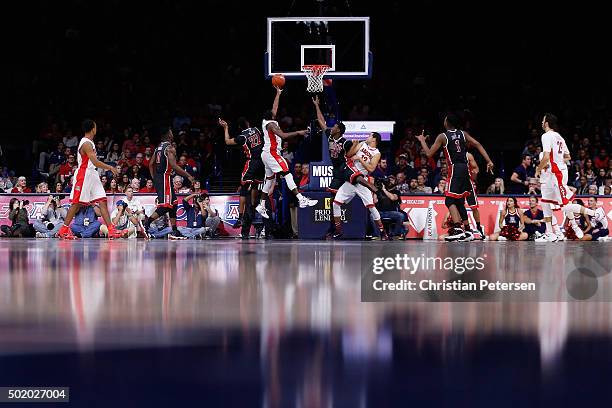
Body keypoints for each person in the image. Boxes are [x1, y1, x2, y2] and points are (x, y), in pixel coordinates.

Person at [417, 114, 494, 241]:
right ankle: (468, 231)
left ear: (447, 122)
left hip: (455, 169)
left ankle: (458, 229)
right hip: (465, 169)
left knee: (449, 200)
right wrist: (489, 161)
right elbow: (478, 144)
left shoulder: (443, 136)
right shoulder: (463, 134)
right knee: (459, 202)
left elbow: (429, 153)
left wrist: (422, 141)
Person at [311, 96, 378, 237]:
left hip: (344, 166)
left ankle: (370, 186)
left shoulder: (345, 142)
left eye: (335, 126)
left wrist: (354, 144)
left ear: (339, 130)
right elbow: (321, 122)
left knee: (355, 177)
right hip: (336, 171)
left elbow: (350, 154)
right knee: (333, 200)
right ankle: (334, 229)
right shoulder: (330, 136)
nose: (332, 127)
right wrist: (317, 106)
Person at [255, 87, 317, 220]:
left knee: (269, 180)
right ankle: (301, 198)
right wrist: (299, 132)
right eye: (273, 113)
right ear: (271, 116)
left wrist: (278, 93)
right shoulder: (271, 125)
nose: (275, 113)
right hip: (272, 153)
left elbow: (274, 107)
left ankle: (261, 205)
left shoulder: (266, 120)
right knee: (287, 173)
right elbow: (283, 135)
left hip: (266, 154)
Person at [57, 120, 124, 239]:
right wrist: (110, 167)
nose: (96, 129)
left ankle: (111, 229)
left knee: (102, 200)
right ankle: (64, 229)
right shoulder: (86, 143)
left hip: (92, 174)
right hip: (84, 174)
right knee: (76, 203)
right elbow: (95, 162)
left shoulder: (90, 142)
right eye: (96, 127)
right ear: (93, 129)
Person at [535, 114, 595, 242]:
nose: (541, 122)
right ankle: (550, 233)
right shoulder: (559, 137)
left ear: (546, 123)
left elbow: (546, 158)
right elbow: (567, 156)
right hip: (554, 174)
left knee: (565, 205)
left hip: (557, 174)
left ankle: (594, 214)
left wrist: (538, 169)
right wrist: (556, 161)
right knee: (546, 203)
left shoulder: (546, 136)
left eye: (543, 120)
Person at [142, 127, 195, 240]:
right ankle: (147, 223)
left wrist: (154, 177)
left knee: (174, 203)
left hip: (161, 178)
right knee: (166, 206)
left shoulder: (158, 148)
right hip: (165, 178)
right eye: (171, 132)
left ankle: (174, 230)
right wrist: (188, 175)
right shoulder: (170, 148)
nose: (172, 133)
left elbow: (151, 164)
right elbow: (175, 166)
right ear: (169, 136)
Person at [333, 132, 389, 240]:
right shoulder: (362, 144)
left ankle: (383, 232)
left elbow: (371, 168)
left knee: (371, 207)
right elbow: (349, 155)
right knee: (336, 203)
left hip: (362, 180)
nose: (367, 137)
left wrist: (360, 159)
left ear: (374, 139)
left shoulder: (377, 153)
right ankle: (339, 231)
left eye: (369, 135)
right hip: (350, 178)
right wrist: (354, 144)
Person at [219, 117, 264, 239]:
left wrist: (225, 128)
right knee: (255, 185)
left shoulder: (242, 136)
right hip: (263, 162)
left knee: (243, 188)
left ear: (240, 127)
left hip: (252, 163)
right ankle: (254, 205)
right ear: (248, 123)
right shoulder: (257, 130)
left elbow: (227, 141)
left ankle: (239, 218)